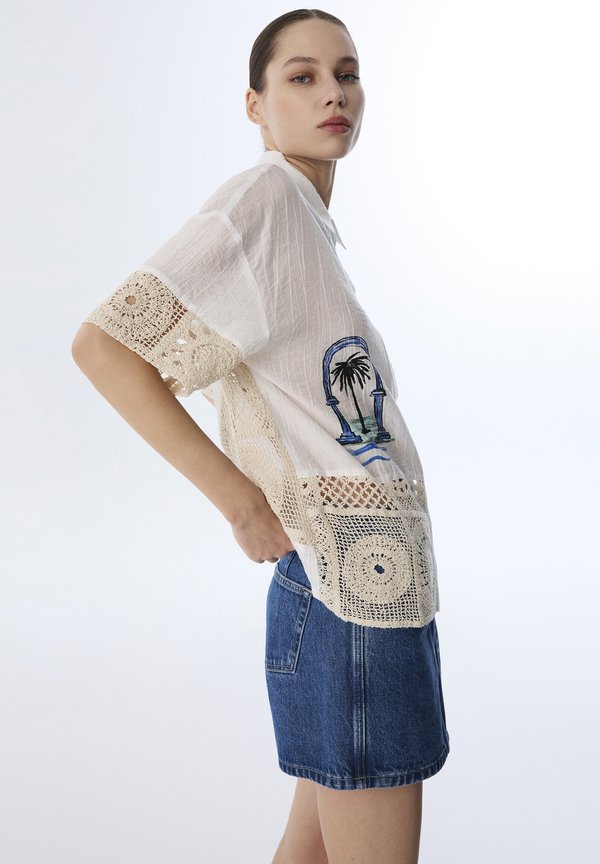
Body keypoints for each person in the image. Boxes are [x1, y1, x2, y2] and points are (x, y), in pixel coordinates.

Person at [72, 8, 450, 864]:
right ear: (255, 105)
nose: (333, 94)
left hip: (360, 588)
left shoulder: (306, 219)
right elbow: (104, 348)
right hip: (348, 600)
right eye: (302, 77)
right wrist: (238, 501)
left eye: (347, 74)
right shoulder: (266, 199)